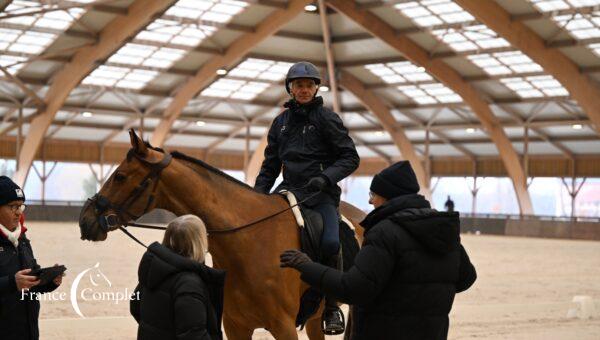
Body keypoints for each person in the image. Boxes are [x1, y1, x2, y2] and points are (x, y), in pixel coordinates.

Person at [280, 161, 477, 340]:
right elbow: (467, 278)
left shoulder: (385, 232)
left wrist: (306, 266)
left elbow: (352, 289)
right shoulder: (443, 230)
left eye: (373, 195)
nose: (370, 202)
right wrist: (419, 292)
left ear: (387, 197)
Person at [254, 61, 360, 334]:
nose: (303, 90)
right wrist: (256, 197)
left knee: (330, 242)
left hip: (321, 194)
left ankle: (332, 306)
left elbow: (350, 157)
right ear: (291, 89)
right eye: (298, 85)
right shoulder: (280, 124)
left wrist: (326, 178)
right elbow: (270, 165)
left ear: (316, 88)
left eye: (308, 85)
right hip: (288, 190)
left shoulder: (327, 119)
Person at [130, 214, 225, 340]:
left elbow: (135, 307)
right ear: (198, 242)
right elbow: (194, 335)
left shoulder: (155, 268)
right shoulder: (189, 284)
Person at [0, 176, 63, 340]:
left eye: (20, 206)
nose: (18, 212)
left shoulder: (22, 239)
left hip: (28, 331)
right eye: (12, 206)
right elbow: (15, 283)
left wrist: (49, 281)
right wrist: (12, 283)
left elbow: (30, 284)